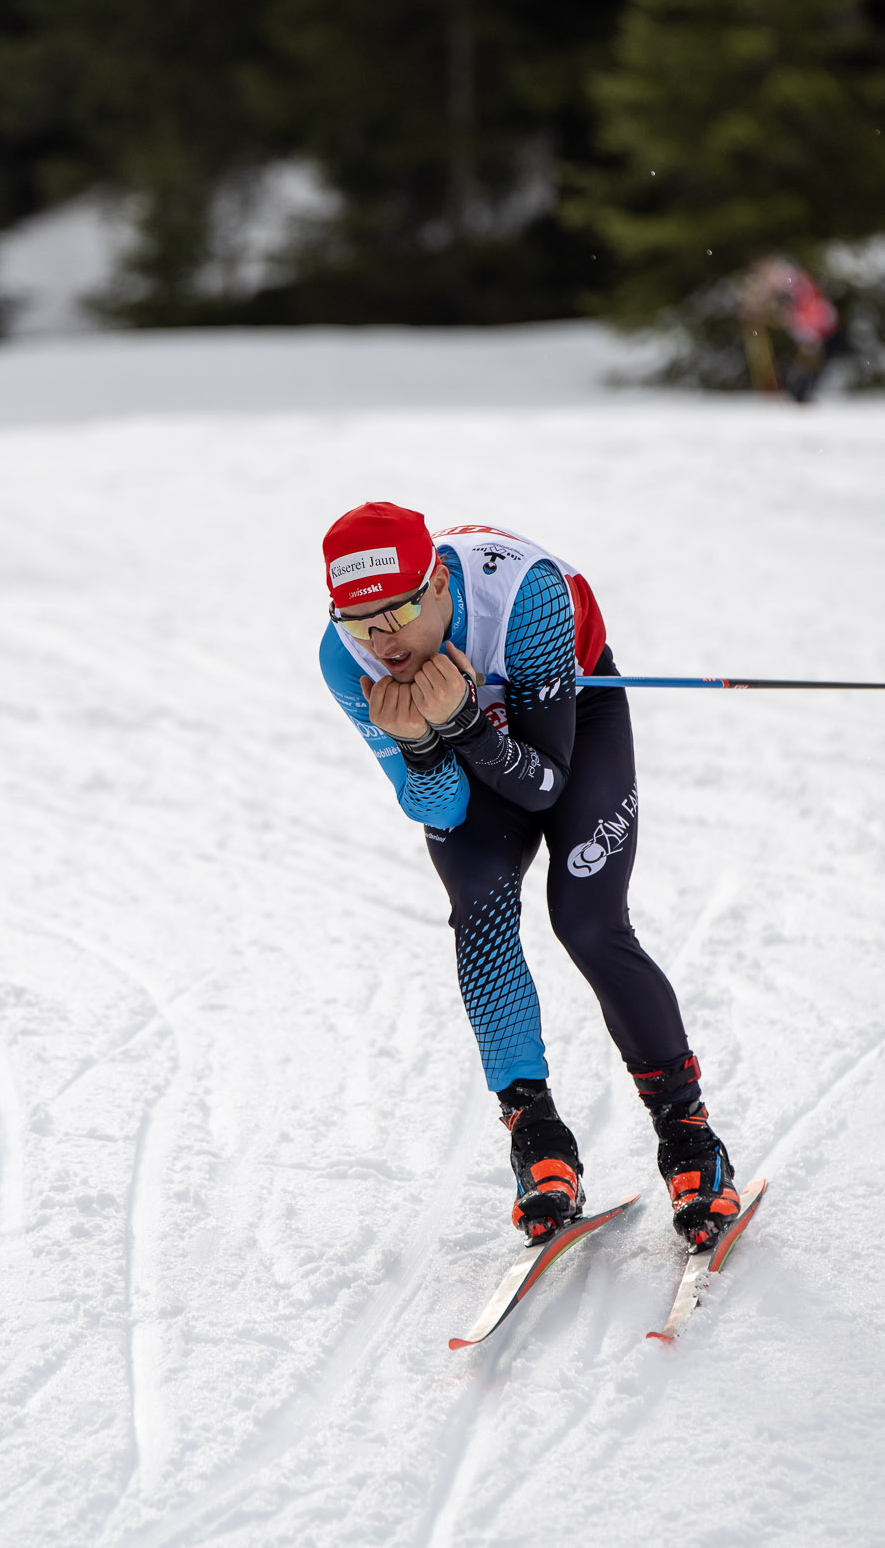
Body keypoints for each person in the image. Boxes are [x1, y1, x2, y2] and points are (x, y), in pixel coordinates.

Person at [317, 503, 742, 1251]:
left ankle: (689, 1134)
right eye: (360, 623)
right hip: (468, 744)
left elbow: (545, 785)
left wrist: (464, 725)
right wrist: (422, 745)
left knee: (586, 920)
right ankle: (537, 1137)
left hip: (571, 721)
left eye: (401, 613)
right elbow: (437, 804)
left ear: (437, 584)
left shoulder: (525, 595)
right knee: (478, 902)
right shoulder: (343, 657)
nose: (384, 643)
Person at [738, 255, 839, 403]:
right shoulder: (790, 280)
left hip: (815, 327)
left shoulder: (790, 281)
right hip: (815, 325)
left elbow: (791, 306)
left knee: (811, 362)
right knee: (810, 363)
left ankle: (800, 390)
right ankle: (799, 390)